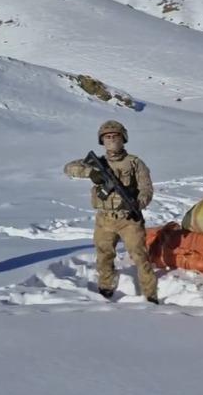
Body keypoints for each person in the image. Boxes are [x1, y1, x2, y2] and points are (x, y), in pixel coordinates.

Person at [63, 120, 158, 304]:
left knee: (140, 257)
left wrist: (138, 203)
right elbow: (68, 168)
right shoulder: (98, 163)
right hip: (104, 219)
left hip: (128, 219)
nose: (112, 140)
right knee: (104, 254)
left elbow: (147, 189)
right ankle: (106, 286)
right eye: (107, 137)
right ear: (102, 141)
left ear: (124, 138)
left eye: (116, 136)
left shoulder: (135, 163)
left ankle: (150, 294)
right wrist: (91, 173)